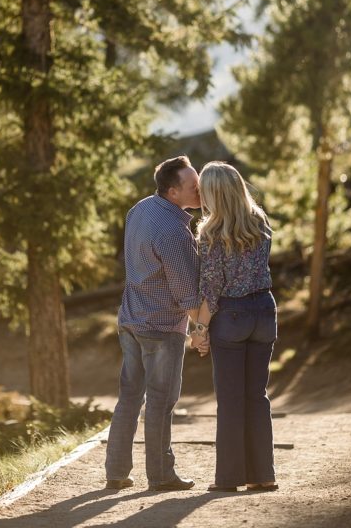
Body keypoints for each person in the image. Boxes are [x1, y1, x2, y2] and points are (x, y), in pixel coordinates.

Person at [104, 155, 202, 491]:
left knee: (129, 397)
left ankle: (116, 472)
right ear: (174, 192)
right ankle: (161, 475)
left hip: (130, 318)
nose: (200, 190)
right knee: (161, 401)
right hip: (160, 327)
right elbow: (188, 293)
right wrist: (200, 330)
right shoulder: (174, 231)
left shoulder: (142, 207)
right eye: (194, 186)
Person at [190, 161, 278, 493]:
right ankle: (264, 475)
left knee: (230, 400)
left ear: (214, 194)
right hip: (264, 311)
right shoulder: (260, 222)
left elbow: (211, 291)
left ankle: (228, 479)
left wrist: (200, 332)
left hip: (231, 316)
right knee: (257, 396)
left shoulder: (210, 232)